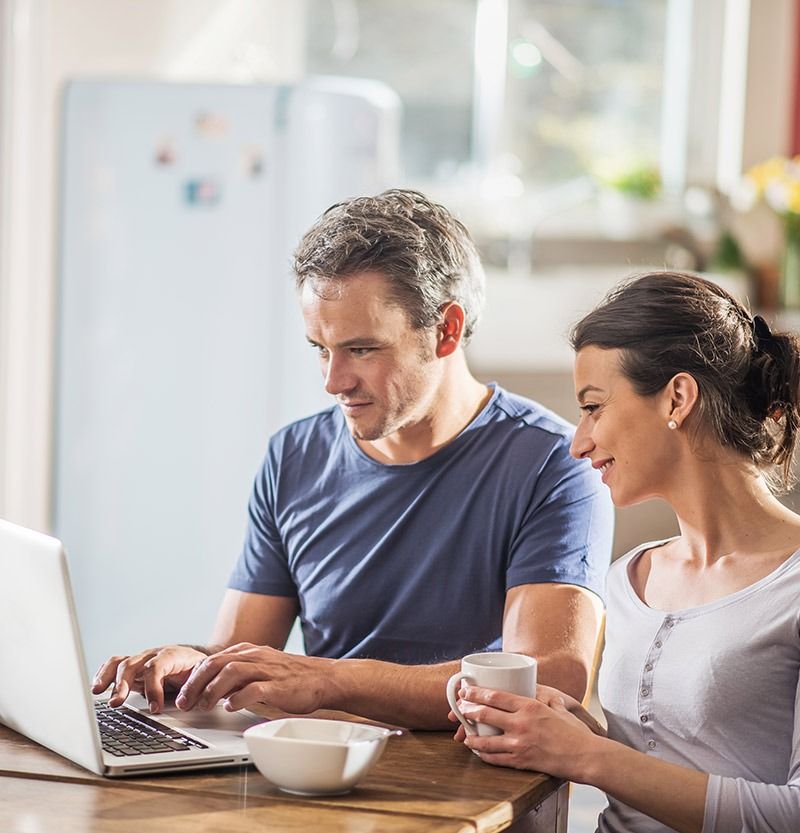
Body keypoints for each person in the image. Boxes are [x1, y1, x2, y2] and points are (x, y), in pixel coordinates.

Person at [92, 189, 613, 729]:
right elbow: (240, 653)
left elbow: (546, 683)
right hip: (319, 768)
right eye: (321, 348)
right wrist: (194, 664)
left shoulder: (554, 464)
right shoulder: (293, 456)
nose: (333, 381)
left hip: (468, 775)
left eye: (361, 349)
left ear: (446, 330)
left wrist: (329, 680)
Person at [453, 271, 800, 832]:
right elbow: (658, 763)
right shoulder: (632, 576)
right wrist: (569, 731)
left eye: (593, 407)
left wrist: (587, 756)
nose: (579, 442)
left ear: (677, 398)